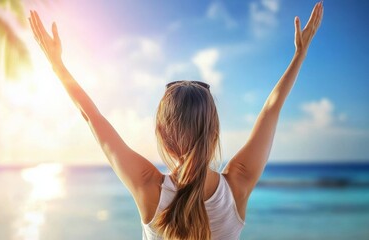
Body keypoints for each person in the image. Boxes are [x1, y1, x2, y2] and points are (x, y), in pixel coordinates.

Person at [29, 1, 324, 239]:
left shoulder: (149, 188)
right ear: (214, 131)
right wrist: (300, 54)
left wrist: (58, 66)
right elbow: (272, 110)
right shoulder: (236, 185)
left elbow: (91, 117)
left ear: (163, 132)